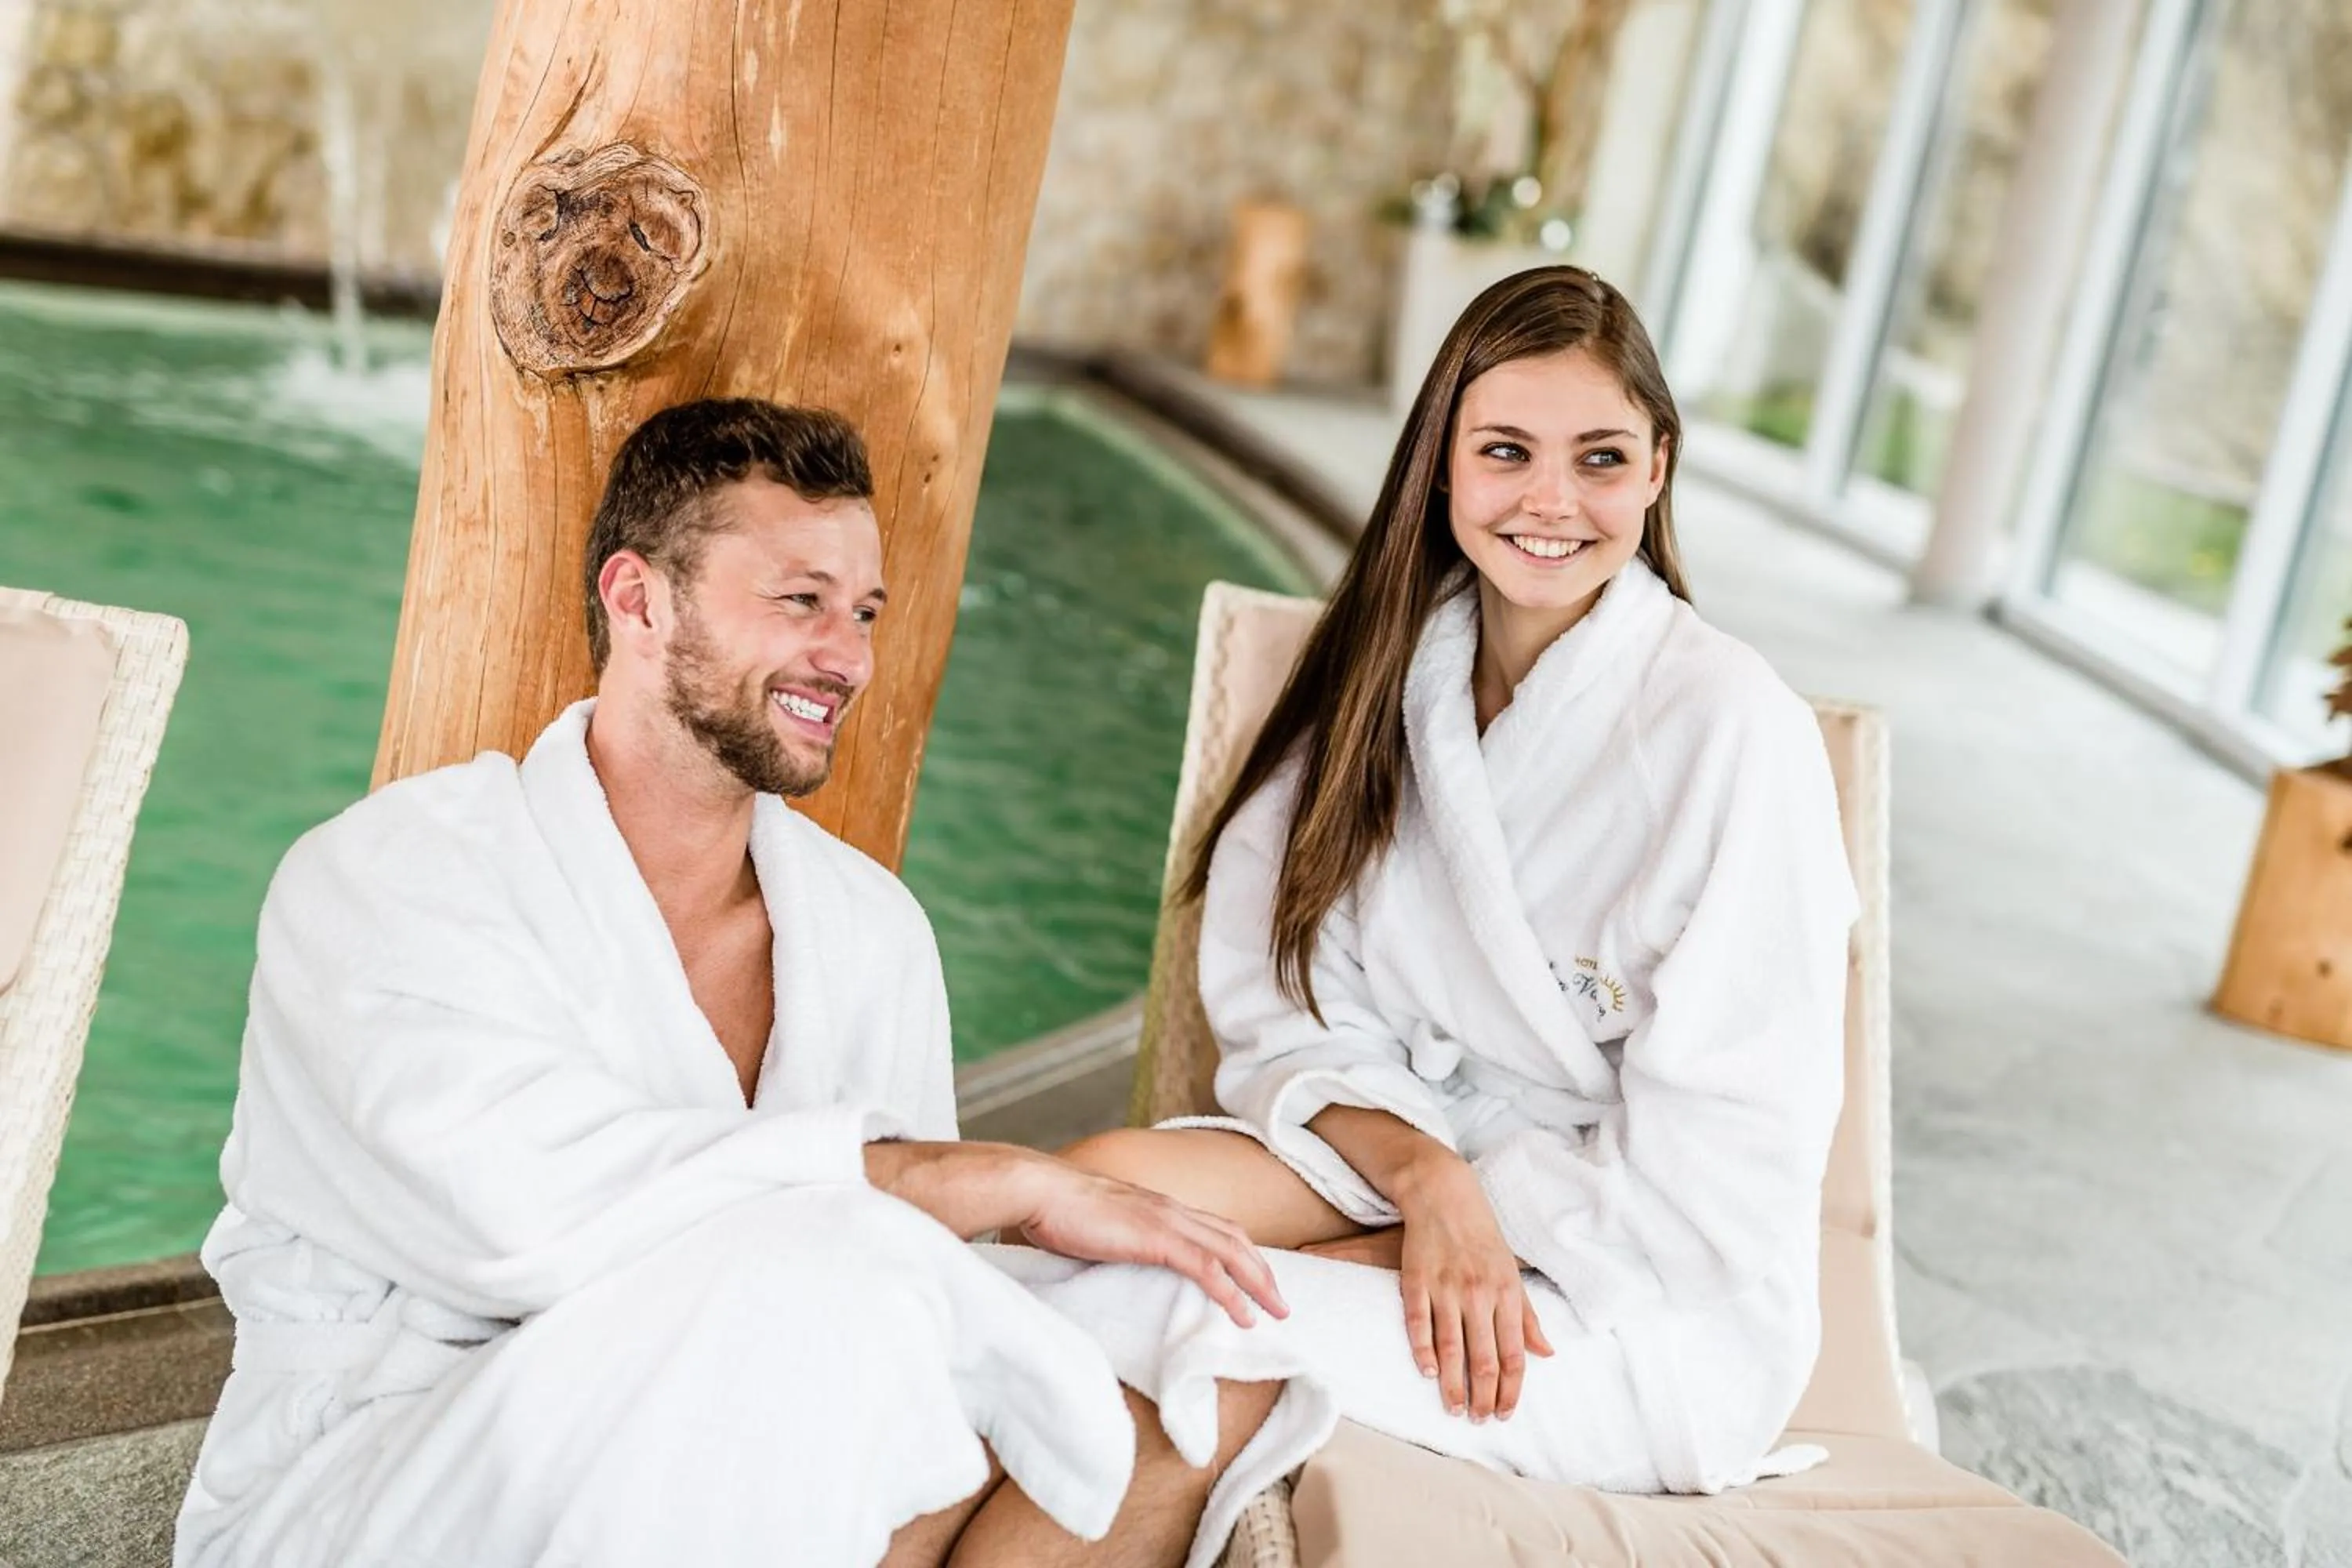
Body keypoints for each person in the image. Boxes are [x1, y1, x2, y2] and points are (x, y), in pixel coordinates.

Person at [175, 398, 1291, 1568]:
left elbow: (922, 1300)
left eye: (863, 612)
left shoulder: (870, 932)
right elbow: (523, 1218)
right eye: (798, 600)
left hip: (770, 1454)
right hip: (387, 1477)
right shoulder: (391, 874)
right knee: (827, 1272)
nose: (848, 657)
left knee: (1196, 1333)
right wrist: (981, 1179)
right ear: (638, 599)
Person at [1031, 266, 1860, 1519]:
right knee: (1077, 1207)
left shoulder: (1735, 732)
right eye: (1507, 450)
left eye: (1599, 458)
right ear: (1442, 464)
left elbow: (1726, 1176)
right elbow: (1290, 999)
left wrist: (1433, 1236)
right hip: (1416, 1146)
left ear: (1657, 468)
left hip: (1632, 1290)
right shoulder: (1393, 671)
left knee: (1161, 1321)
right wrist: (1428, 1185)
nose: (1549, 501)